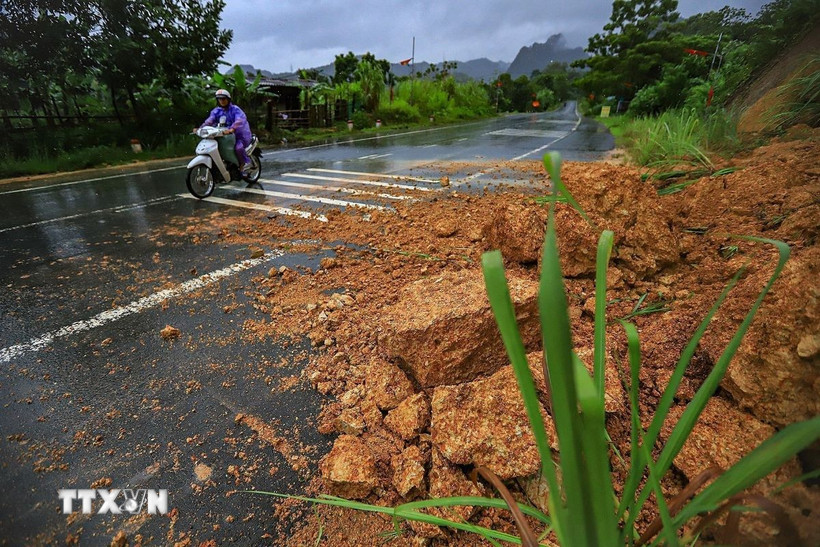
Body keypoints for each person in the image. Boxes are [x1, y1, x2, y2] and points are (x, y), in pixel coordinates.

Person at [195, 89, 252, 173]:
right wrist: (200, 128)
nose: (222, 101)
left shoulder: (235, 109)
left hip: (239, 136)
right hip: (224, 136)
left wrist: (232, 129)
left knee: (238, 148)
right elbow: (209, 121)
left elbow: (240, 120)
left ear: (228, 99)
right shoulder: (216, 111)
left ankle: (243, 164)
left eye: (223, 99)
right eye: (219, 99)